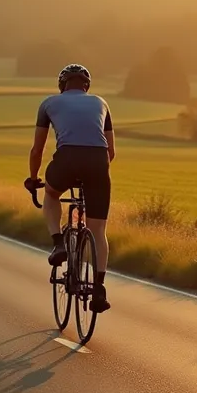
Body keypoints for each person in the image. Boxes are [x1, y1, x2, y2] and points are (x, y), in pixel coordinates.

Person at [27, 63, 115, 313]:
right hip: (98, 162)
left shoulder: (48, 104)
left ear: (62, 85)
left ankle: (58, 243)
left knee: (52, 194)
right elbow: (111, 152)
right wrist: (94, 174)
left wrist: (33, 179)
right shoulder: (102, 103)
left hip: (67, 159)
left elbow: (37, 149)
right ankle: (98, 289)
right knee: (98, 229)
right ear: (87, 86)